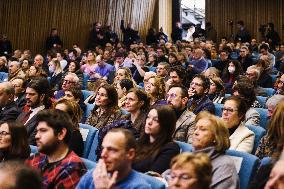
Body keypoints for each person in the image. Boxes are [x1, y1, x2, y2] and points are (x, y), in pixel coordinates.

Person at [26, 109, 87, 188]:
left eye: (43, 131)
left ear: (61, 134)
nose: (37, 136)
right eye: (37, 131)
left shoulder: (72, 168)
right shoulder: (34, 158)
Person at [76, 128, 151, 189]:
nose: (103, 154)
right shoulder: (93, 175)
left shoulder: (140, 187)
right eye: (103, 148)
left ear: (130, 154)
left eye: (112, 150)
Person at [192, 111, 239, 189]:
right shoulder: (192, 155)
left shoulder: (225, 166)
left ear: (215, 137)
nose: (196, 132)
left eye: (203, 129)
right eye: (195, 128)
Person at [133, 105, 180, 174]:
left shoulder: (170, 149)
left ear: (165, 125)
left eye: (155, 120)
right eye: (148, 117)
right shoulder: (140, 142)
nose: (149, 122)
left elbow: (152, 176)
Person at [16, 78, 51, 145]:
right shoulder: (24, 113)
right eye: (26, 94)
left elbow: (31, 143)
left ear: (42, 97)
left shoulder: (45, 117)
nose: (27, 97)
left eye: (31, 94)